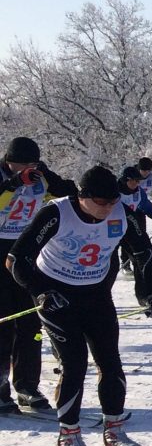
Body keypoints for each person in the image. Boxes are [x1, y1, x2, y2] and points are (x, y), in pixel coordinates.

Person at [6, 164, 152, 446]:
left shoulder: (122, 214)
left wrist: (150, 293)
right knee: (75, 364)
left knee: (110, 362)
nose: (108, 208)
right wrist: (41, 291)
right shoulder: (56, 213)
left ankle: (114, 431)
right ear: (83, 196)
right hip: (57, 297)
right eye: (101, 202)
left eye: (113, 201)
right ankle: (68, 435)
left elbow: (144, 252)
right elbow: (17, 259)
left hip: (96, 295)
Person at [0, 137, 79, 414]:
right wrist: (13, 183)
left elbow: (70, 194)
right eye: (22, 165)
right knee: (4, 324)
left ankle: (27, 386)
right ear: (9, 161)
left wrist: (46, 175)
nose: (28, 170)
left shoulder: (40, 175)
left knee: (31, 323)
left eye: (32, 164)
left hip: (26, 252)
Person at [117, 166, 152, 281]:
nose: (136, 183)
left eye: (138, 181)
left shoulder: (139, 192)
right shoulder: (114, 191)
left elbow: (147, 208)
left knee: (137, 250)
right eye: (134, 181)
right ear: (126, 179)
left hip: (131, 225)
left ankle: (138, 272)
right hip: (114, 226)